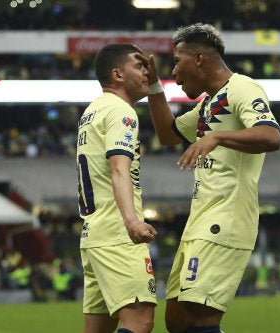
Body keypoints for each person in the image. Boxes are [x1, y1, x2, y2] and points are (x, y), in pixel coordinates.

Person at [142, 23, 280, 333]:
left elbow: (270, 136)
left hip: (226, 218)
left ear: (200, 59)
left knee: (198, 317)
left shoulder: (243, 88)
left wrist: (217, 138)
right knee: (176, 320)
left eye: (178, 61)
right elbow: (167, 134)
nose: (174, 73)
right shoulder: (208, 105)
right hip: (200, 220)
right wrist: (153, 85)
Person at [76, 43, 158, 333]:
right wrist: (131, 220)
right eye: (139, 66)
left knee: (97, 328)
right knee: (140, 321)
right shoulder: (121, 112)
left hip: (95, 234)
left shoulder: (93, 111)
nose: (147, 71)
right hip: (117, 235)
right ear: (117, 74)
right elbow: (119, 168)